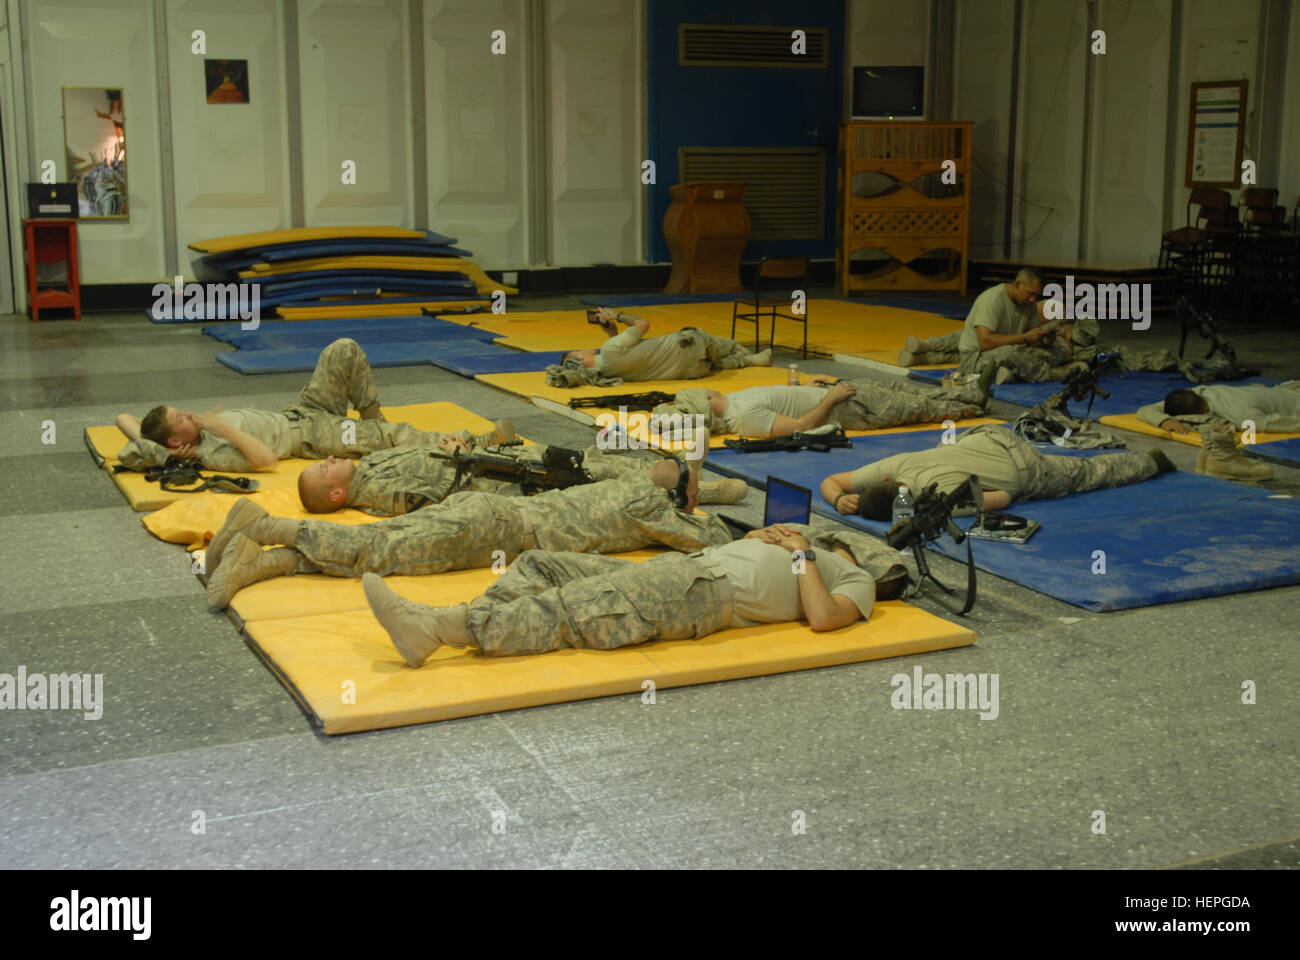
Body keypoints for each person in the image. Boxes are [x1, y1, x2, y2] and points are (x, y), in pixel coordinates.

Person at [205, 456, 728, 609]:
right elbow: (713, 547)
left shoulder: (632, 488)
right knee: (380, 547)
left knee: (386, 556)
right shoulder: (646, 504)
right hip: (495, 529)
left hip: (490, 529)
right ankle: (269, 525)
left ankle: (268, 561)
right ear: (680, 499)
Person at [361, 523, 911, 668]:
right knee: (542, 564)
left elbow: (821, 618)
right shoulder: (806, 550)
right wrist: (759, 538)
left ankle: (435, 628)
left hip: (700, 596)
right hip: (687, 570)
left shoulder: (852, 580)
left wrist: (801, 553)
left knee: (576, 608)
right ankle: (472, 620)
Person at [115, 338, 507, 472]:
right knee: (400, 435)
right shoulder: (211, 452)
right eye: (180, 419)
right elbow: (265, 460)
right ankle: (477, 442)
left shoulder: (176, 440)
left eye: (179, 410)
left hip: (301, 411)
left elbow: (124, 419)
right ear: (175, 441)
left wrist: (159, 446)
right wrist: (218, 428)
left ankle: (376, 428)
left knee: (343, 351)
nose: (188, 414)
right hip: (312, 435)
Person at [298, 438, 749, 516]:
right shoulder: (380, 493)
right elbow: (441, 503)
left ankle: (691, 485)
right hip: (506, 482)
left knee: (589, 460)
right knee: (597, 479)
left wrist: (457, 444)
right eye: (325, 467)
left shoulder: (371, 465)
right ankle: (692, 487)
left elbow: (434, 453)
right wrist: (463, 463)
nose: (332, 456)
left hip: (494, 458)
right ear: (337, 494)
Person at [821, 424, 1175, 518]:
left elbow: (1003, 498)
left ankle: (1151, 462)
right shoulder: (893, 467)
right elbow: (830, 480)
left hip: (1025, 469)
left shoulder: (938, 500)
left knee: (1086, 474)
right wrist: (838, 498)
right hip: (990, 435)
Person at [652, 374, 991, 438]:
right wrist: (829, 399)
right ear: (708, 399)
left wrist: (809, 390)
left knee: (905, 391)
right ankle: (973, 402)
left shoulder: (738, 402)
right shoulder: (744, 419)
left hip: (835, 394)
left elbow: (781, 401)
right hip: (847, 409)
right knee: (919, 407)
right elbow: (802, 428)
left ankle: (971, 392)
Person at [899, 315, 1194, 383]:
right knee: (977, 339)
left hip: (1032, 355)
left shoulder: (1089, 351)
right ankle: (927, 347)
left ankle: (929, 352)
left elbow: (1139, 358)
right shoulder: (1055, 323)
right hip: (1024, 342)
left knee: (989, 351)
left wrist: (1175, 363)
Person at [900, 268, 1063, 385]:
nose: (1033, 299)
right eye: (1030, 293)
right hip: (975, 357)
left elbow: (1027, 337)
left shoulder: (1027, 303)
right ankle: (1047, 374)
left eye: (1037, 295)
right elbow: (985, 342)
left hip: (1003, 348)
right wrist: (1024, 338)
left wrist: (1042, 340)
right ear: (1018, 284)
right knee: (1009, 353)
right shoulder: (992, 300)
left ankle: (1008, 373)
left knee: (1058, 349)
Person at [545, 307, 770, 386]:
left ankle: (749, 361)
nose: (583, 349)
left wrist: (612, 333)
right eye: (578, 351)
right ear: (580, 359)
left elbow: (629, 353)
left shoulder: (605, 374)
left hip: (690, 371)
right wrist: (618, 315)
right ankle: (746, 356)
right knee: (727, 345)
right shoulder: (611, 350)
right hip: (689, 346)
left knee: (716, 365)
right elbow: (643, 324)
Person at [1135, 381, 1300, 482]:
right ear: (1190, 391)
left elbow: (1290, 423)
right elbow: (1146, 409)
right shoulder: (1204, 392)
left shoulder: (1243, 417)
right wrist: (1164, 420)